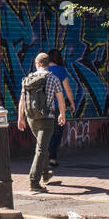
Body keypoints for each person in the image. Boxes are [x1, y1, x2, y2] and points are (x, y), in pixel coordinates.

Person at [17, 53, 66, 192]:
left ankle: (45, 174)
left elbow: (22, 100)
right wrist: (62, 114)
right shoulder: (53, 78)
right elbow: (60, 98)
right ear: (48, 64)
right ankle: (34, 181)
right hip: (47, 118)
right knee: (41, 149)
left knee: (41, 146)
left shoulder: (28, 79)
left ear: (37, 64)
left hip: (31, 118)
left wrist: (20, 117)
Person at [46, 48, 75, 169]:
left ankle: (45, 156)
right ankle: (51, 159)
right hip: (57, 107)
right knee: (57, 133)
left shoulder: (43, 69)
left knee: (46, 133)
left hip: (43, 107)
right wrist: (72, 103)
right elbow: (67, 88)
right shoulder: (60, 70)